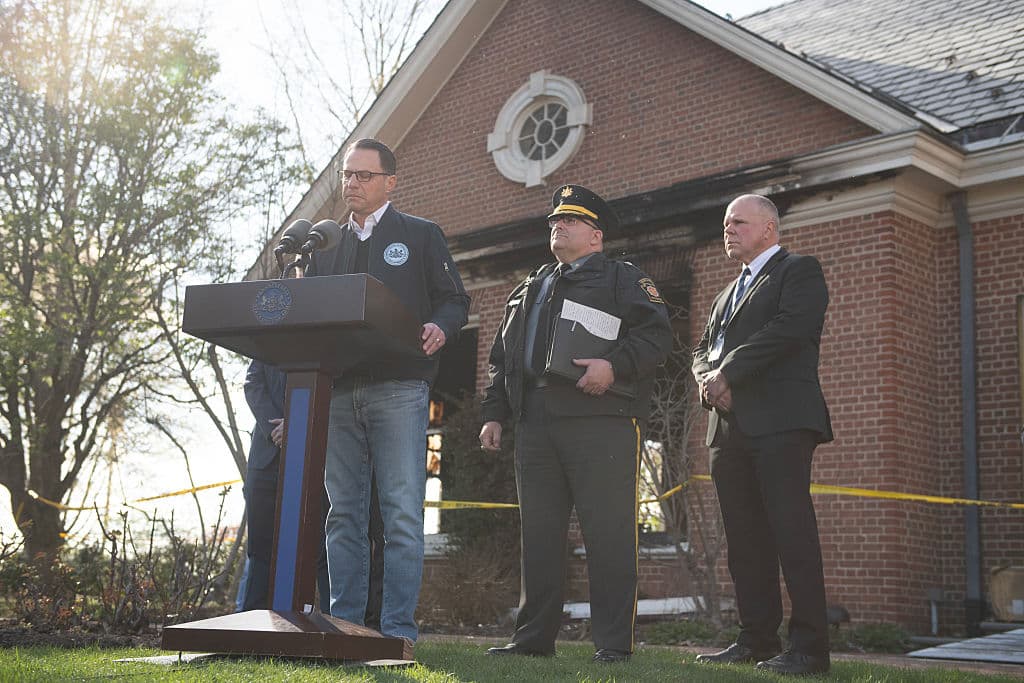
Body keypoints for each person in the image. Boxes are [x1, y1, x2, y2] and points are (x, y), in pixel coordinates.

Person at [479, 185, 672, 663]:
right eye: (553, 221)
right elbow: (503, 360)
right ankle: (533, 641)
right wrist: (494, 413)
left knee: (607, 532)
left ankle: (612, 645)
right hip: (535, 424)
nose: (557, 227)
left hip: (600, 420)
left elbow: (657, 337)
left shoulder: (622, 279)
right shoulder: (532, 286)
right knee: (540, 537)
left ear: (596, 236)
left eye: (570, 221)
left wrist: (614, 366)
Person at [307, 138, 470, 643]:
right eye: (347, 176)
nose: (352, 184)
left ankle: (397, 631)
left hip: (399, 389)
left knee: (401, 512)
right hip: (338, 391)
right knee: (344, 515)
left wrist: (440, 327)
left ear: (390, 182)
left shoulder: (420, 236)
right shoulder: (325, 244)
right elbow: (309, 309)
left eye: (363, 176)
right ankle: (346, 628)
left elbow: (454, 301)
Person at [691, 194, 833, 676]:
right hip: (727, 430)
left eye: (738, 222)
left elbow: (791, 328)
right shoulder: (724, 295)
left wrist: (728, 372)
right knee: (744, 540)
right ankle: (755, 639)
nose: (728, 230)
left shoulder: (799, 271)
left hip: (781, 422)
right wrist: (707, 382)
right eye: (725, 223)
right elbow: (700, 350)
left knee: (791, 534)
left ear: (769, 229)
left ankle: (810, 649)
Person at [239, 359, 385, 625]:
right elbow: (253, 383)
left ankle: (338, 629)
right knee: (260, 549)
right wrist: (277, 427)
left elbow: (341, 386)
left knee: (324, 549)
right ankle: (250, 626)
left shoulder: (328, 332)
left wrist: (301, 423)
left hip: (322, 455)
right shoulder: (271, 329)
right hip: (268, 457)